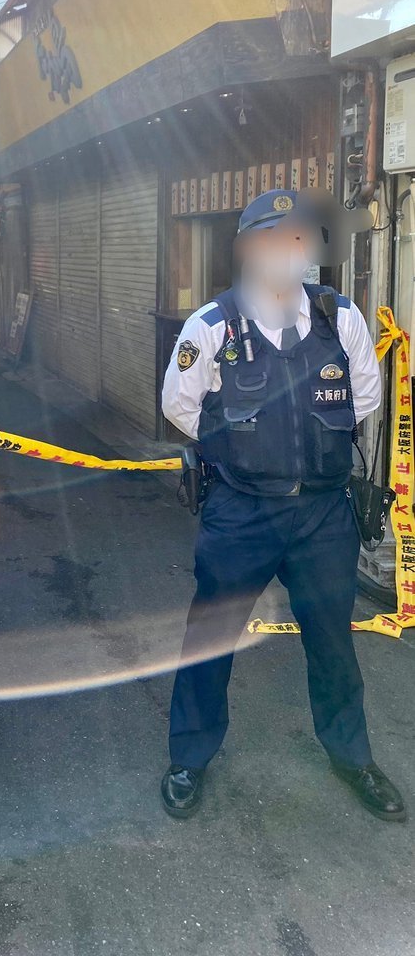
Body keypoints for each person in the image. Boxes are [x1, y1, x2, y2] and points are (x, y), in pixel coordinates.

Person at [160, 189, 405, 823]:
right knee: (210, 639)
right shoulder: (211, 326)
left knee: (332, 643)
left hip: (323, 516)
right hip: (242, 512)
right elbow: (179, 407)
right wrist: (244, 450)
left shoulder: (339, 318)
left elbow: (364, 400)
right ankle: (189, 758)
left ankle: (352, 757)